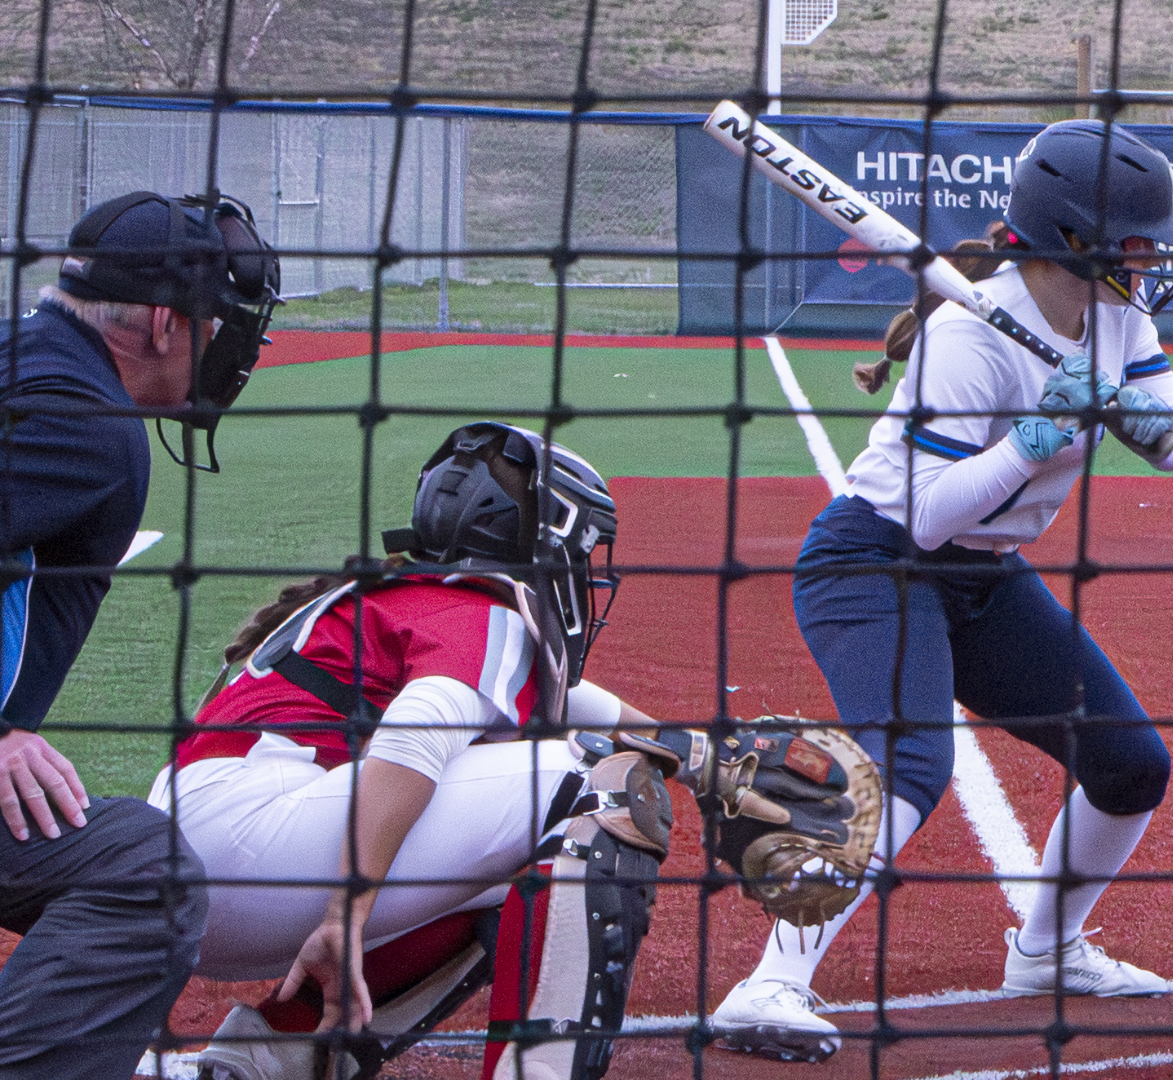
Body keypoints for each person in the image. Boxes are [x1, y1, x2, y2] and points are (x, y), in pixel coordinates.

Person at [710, 118, 1173, 1064]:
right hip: (875, 563)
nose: (1148, 258)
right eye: (1136, 240)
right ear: (1074, 237)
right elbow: (929, 515)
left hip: (983, 574)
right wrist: (1033, 438)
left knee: (1131, 762)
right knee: (910, 764)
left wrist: (1130, 409)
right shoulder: (967, 340)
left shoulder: (1120, 313)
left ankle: (1048, 950)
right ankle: (769, 984)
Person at [176, 422, 882, 1080]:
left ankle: (268, 1057)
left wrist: (708, 764)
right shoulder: (484, 611)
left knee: (523, 868)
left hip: (206, 866)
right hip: (259, 851)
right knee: (604, 787)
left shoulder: (422, 600)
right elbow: (421, 730)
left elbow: (570, 707)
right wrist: (347, 911)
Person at [0, 189, 278, 1079]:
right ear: (163, 322)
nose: (231, 349)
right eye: (217, 325)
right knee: (140, 873)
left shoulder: (25, 359)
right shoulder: (90, 424)